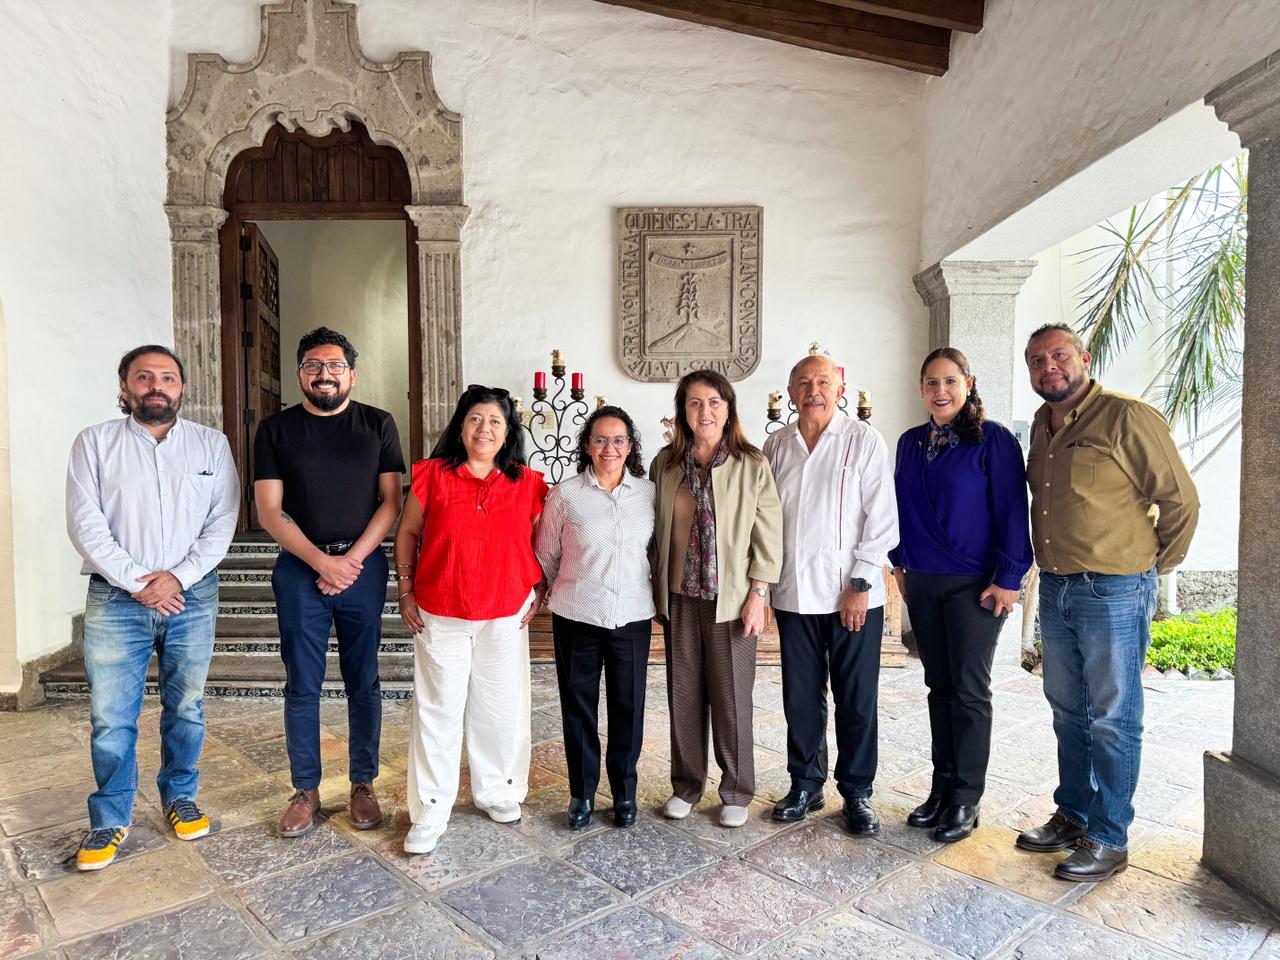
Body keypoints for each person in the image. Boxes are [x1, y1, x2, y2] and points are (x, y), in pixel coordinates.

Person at [1017, 323, 1199, 880]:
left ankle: (1110, 835)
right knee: (1068, 710)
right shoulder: (1042, 426)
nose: (1049, 366)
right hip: (1058, 586)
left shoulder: (1127, 417)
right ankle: (1074, 813)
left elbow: (1180, 501)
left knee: (1114, 717)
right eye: (1037, 360)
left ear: (1085, 358)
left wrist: (1149, 570)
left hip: (1114, 591)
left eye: (1059, 355)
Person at [66, 345, 238, 870]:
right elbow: (85, 522)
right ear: (124, 387)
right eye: (144, 377)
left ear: (182, 387)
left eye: (167, 377)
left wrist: (176, 577)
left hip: (192, 594)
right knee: (111, 717)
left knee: (186, 706)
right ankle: (110, 817)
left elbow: (223, 520)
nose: (156, 386)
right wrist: (140, 581)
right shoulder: (95, 443)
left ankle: (180, 795)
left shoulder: (211, 445)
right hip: (117, 598)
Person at [254, 327, 404, 837]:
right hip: (300, 570)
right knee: (302, 682)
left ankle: (363, 783)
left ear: (352, 375)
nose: (325, 374)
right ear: (300, 374)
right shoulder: (276, 430)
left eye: (335, 366)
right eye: (314, 365)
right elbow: (269, 511)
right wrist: (321, 562)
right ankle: (306, 790)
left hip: (362, 569)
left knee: (364, 679)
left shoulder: (377, 424)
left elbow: (391, 502)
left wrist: (350, 562)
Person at [888, 348, 1032, 842]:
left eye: (950, 381)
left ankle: (967, 799)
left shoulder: (994, 440)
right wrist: (899, 562)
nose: (941, 391)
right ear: (921, 388)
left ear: (968, 384)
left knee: (969, 691)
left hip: (977, 585)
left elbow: (1013, 510)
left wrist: (1009, 577)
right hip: (923, 580)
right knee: (939, 687)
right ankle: (942, 789)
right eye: (931, 382)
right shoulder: (910, 442)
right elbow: (898, 507)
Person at [396, 385, 548, 854]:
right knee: (438, 711)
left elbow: (542, 543)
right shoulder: (431, 475)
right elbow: (407, 532)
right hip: (440, 610)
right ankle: (430, 809)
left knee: (499, 708)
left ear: (508, 432)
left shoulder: (529, 483)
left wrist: (538, 587)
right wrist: (405, 590)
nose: (485, 429)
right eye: (476, 419)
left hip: (504, 613)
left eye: (495, 421)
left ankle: (497, 790)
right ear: (461, 427)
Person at [763, 355, 898, 836]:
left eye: (823, 381)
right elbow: (766, 519)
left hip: (851, 595)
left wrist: (860, 585)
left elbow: (882, 520)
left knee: (856, 699)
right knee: (801, 697)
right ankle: (805, 784)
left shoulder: (864, 440)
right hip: (794, 593)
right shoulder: (776, 445)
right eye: (803, 382)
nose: (813, 390)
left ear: (840, 389)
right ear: (791, 392)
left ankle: (857, 792)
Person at [651, 369, 782, 828]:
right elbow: (654, 531)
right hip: (680, 597)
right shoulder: (666, 464)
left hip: (734, 600)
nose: (704, 411)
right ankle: (686, 785)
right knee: (684, 695)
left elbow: (768, 535)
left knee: (731, 699)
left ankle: (737, 790)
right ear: (682, 412)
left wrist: (758, 593)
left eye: (713, 402)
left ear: (728, 410)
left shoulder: (751, 463)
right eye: (694, 403)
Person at [535, 406, 656, 831]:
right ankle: (582, 793)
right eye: (600, 439)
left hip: (632, 616)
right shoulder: (566, 495)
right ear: (587, 445)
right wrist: (570, 584)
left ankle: (624, 793)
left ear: (630, 446)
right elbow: (546, 553)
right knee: (578, 706)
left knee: (629, 707)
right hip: (577, 614)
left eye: (618, 440)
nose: (610, 448)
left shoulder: (648, 493)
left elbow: (655, 550)